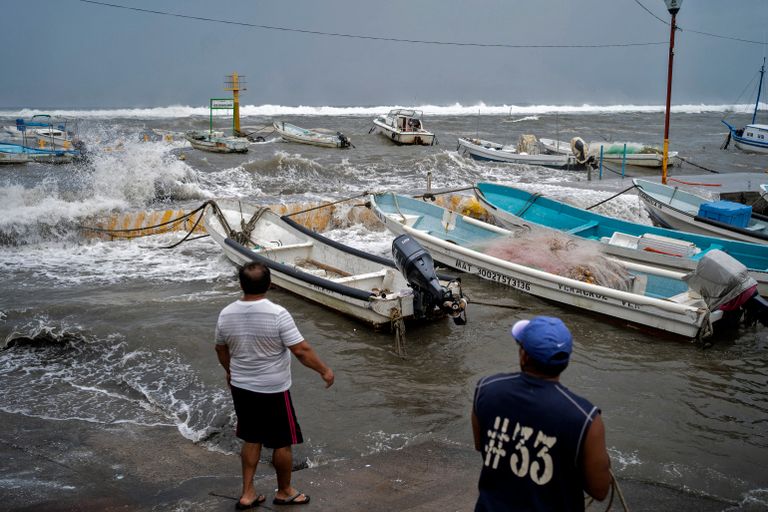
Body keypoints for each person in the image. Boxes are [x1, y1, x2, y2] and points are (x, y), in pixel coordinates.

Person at [215, 262, 334, 509]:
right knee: (281, 441)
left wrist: (230, 371)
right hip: (273, 389)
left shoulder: (226, 313)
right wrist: (324, 370)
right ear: (269, 284)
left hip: (242, 387)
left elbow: (220, 348)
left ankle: (248, 494)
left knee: (251, 438)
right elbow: (300, 350)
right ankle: (284, 491)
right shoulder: (277, 314)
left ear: (241, 284)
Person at [471, 316, 611, 511]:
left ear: (524, 356)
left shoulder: (486, 389)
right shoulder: (585, 418)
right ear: (566, 360)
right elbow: (600, 490)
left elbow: (481, 445)